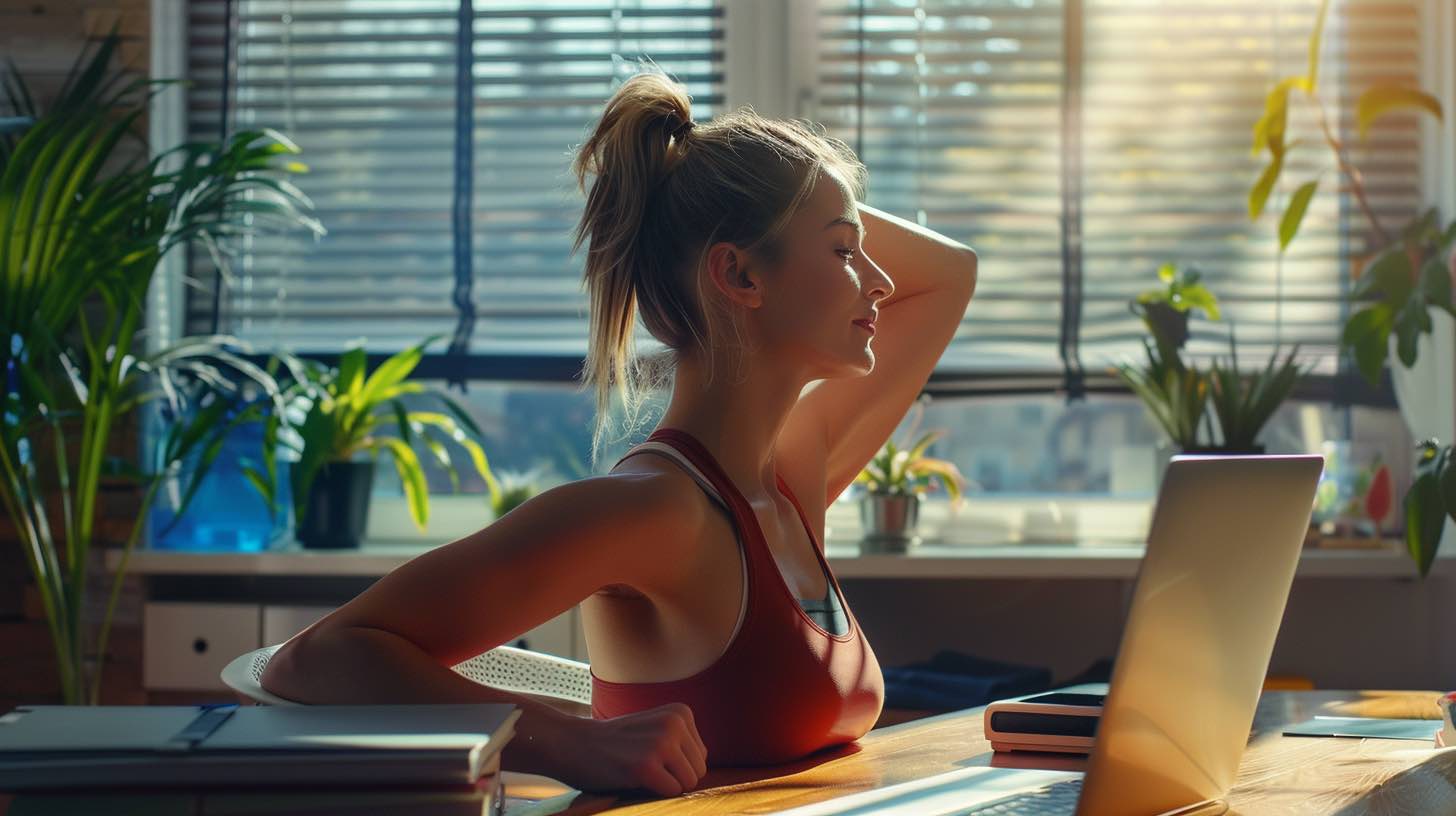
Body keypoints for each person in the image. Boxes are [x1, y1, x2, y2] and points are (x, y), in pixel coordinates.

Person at [260, 69, 977, 797]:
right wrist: (570, 743)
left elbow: (952, 272)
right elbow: (317, 659)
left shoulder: (788, 478)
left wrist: (778, 195)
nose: (881, 281)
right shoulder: (654, 511)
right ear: (738, 274)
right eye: (844, 251)